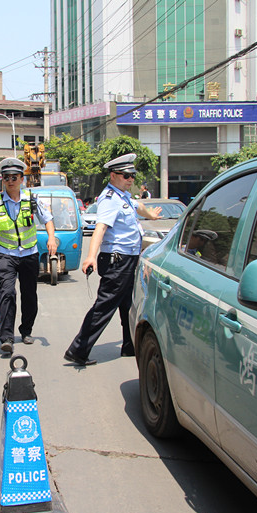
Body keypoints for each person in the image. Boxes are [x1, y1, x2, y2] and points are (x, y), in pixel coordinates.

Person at [64, 153, 160, 367]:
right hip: (118, 261)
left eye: (132, 175)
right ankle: (78, 349)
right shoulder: (109, 199)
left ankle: (129, 345)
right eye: (126, 175)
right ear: (113, 175)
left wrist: (150, 215)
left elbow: (138, 207)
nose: (131, 179)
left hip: (128, 259)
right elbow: (101, 228)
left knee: (127, 304)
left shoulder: (123, 196)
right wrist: (91, 256)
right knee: (104, 306)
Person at [0, 157, 57, 354]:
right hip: (7, 255)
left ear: (22, 179)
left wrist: (51, 238)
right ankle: (6, 337)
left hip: (29, 254)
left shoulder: (32, 199)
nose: (10, 181)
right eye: (6, 177)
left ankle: (26, 331)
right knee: (7, 294)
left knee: (29, 295)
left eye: (14, 177)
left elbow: (48, 219)